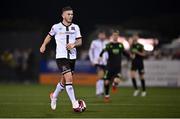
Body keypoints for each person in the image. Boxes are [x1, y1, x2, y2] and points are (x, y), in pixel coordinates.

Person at [40, 6, 82, 110]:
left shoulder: (76, 27)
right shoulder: (56, 27)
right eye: (68, 14)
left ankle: (54, 96)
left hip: (72, 57)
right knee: (69, 79)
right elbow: (49, 36)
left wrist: (74, 44)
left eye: (72, 14)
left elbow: (80, 41)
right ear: (63, 15)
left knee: (64, 81)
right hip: (61, 57)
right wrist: (43, 45)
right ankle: (75, 104)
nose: (71, 16)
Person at [99, 30, 129, 102]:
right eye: (114, 35)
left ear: (118, 36)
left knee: (116, 80)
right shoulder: (109, 45)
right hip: (109, 67)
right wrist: (100, 56)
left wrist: (130, 57)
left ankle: (114, 85)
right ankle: (107, 96)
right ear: (112, 36)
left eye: (116, 35)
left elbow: (125, 53)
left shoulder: (120, 45)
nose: (115, 36)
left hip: (117, 67)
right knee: (106, 82)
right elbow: (103, 51)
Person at [89, 31, 108, 96]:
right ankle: (98, 92)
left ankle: (101, 91)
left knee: (103, 77)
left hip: (105, 62)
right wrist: (92, 60)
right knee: (100, 76)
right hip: (98, 62)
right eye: (101, 35)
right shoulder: (94, 42)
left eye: (103, 35)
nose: (102, 36)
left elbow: (108, 53)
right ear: (98, 35)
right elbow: (91, 52)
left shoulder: (107, 42)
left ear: (105, 35)